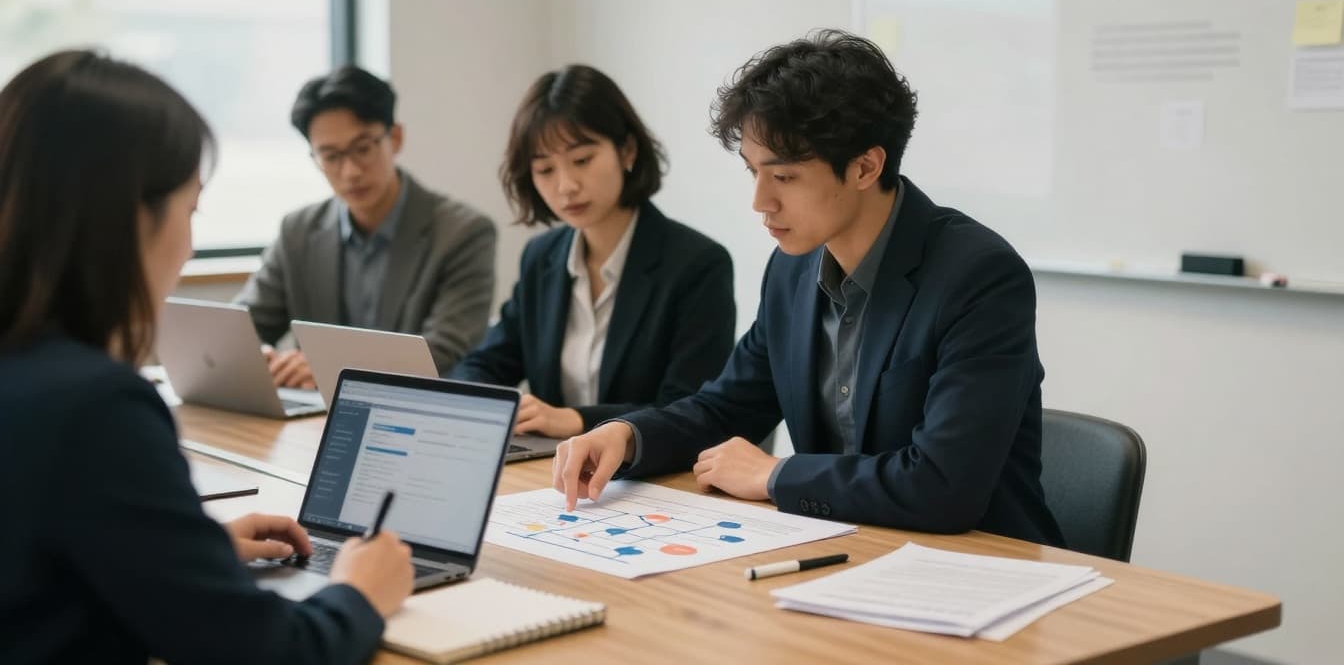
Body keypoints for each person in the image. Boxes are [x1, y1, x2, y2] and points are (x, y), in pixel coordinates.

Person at [552, 31, 1066, 547]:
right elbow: (726, 407)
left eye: (784, 177)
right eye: (753, 172)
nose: (760, 201)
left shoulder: (978, 275)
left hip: (983, 567)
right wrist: (628, 435)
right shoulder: (791, 270)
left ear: (866, 166)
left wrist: (774, 476)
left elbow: (942, 484)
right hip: (850, 547)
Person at [0, 51, 413, 663]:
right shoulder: (97, 407)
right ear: (129, 218)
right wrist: (360, 592)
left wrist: (183, 550)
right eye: (190, 210)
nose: (190, 246)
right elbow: (268, 653)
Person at [449, 65, 735, 438]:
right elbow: (485, 363)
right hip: (555, 472)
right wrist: (486, 400)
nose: (566, 186)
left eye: (582, 160)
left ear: (627, 151)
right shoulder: (541, 258)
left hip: (652, 475)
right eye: (545, 170)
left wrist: (577, 420)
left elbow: (690, 407)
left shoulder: (697, 265)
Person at [235, 66, 496, 387]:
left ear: (395, 138)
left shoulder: (463, 233)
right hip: (312, 418)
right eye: (330, 156)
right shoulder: (298, 231)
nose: (350, 171)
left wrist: (331, 368)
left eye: (363, 149)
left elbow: (444, 349)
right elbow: (245, 325)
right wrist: (258, 355)